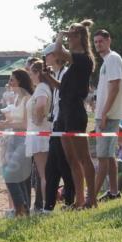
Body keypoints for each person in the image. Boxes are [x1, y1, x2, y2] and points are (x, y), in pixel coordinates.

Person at [49, 20, 97, 208]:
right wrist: (47, 78)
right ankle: (79, 200)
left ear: (79, 37)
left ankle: (91, 199)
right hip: (64, 112)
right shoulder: (72, 65)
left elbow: (59, 52)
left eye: (71, 36)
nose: (68, 39)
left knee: (83, 157)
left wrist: (60, 36)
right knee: (71, 159)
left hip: (76, 111)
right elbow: (63, 88)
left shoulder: (83, 59)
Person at [92, 30, 122, 201]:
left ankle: (90, 198)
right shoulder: (108, 60)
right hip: (105, 114)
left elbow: (115, 86)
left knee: (103, 157)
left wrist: (105, 112)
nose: (98, 44)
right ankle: (113, 192)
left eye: (101, 41)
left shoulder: (113, 58)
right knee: (109, 155)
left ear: (109, 40)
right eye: (96, 42)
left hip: (108, 115)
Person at [42, 48, 75, 210]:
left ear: (55, 56)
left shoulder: (65, 73)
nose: (44, 58)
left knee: (64, 165)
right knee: (51, 169)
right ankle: (48, 206)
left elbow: (64, 91)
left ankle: (70, 201)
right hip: (56, 123)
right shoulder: (57, 74)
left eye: (47, 54)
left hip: (63, 125)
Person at [0, 69, 33, 217]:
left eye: (12, 80)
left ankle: (21, 206)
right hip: (13, 139)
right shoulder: (16, 98)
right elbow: (15, 120)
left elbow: (25, 125)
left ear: (20, 81)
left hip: (24, 140)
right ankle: (25, 209)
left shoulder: (27, 99)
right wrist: (2, 124)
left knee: (11, 174)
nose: (9, 83)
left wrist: (6, 125)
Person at [25, 61, 53, 211]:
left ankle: (45, 206)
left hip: (39, 135)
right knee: (44, 174)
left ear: (37, 73)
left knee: (44, 174)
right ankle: (45, 205)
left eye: (31, 73)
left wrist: (37, 118)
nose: (30, 76)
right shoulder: (42, 88)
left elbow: (41, 104)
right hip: (39, 134)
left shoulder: (42, 88)